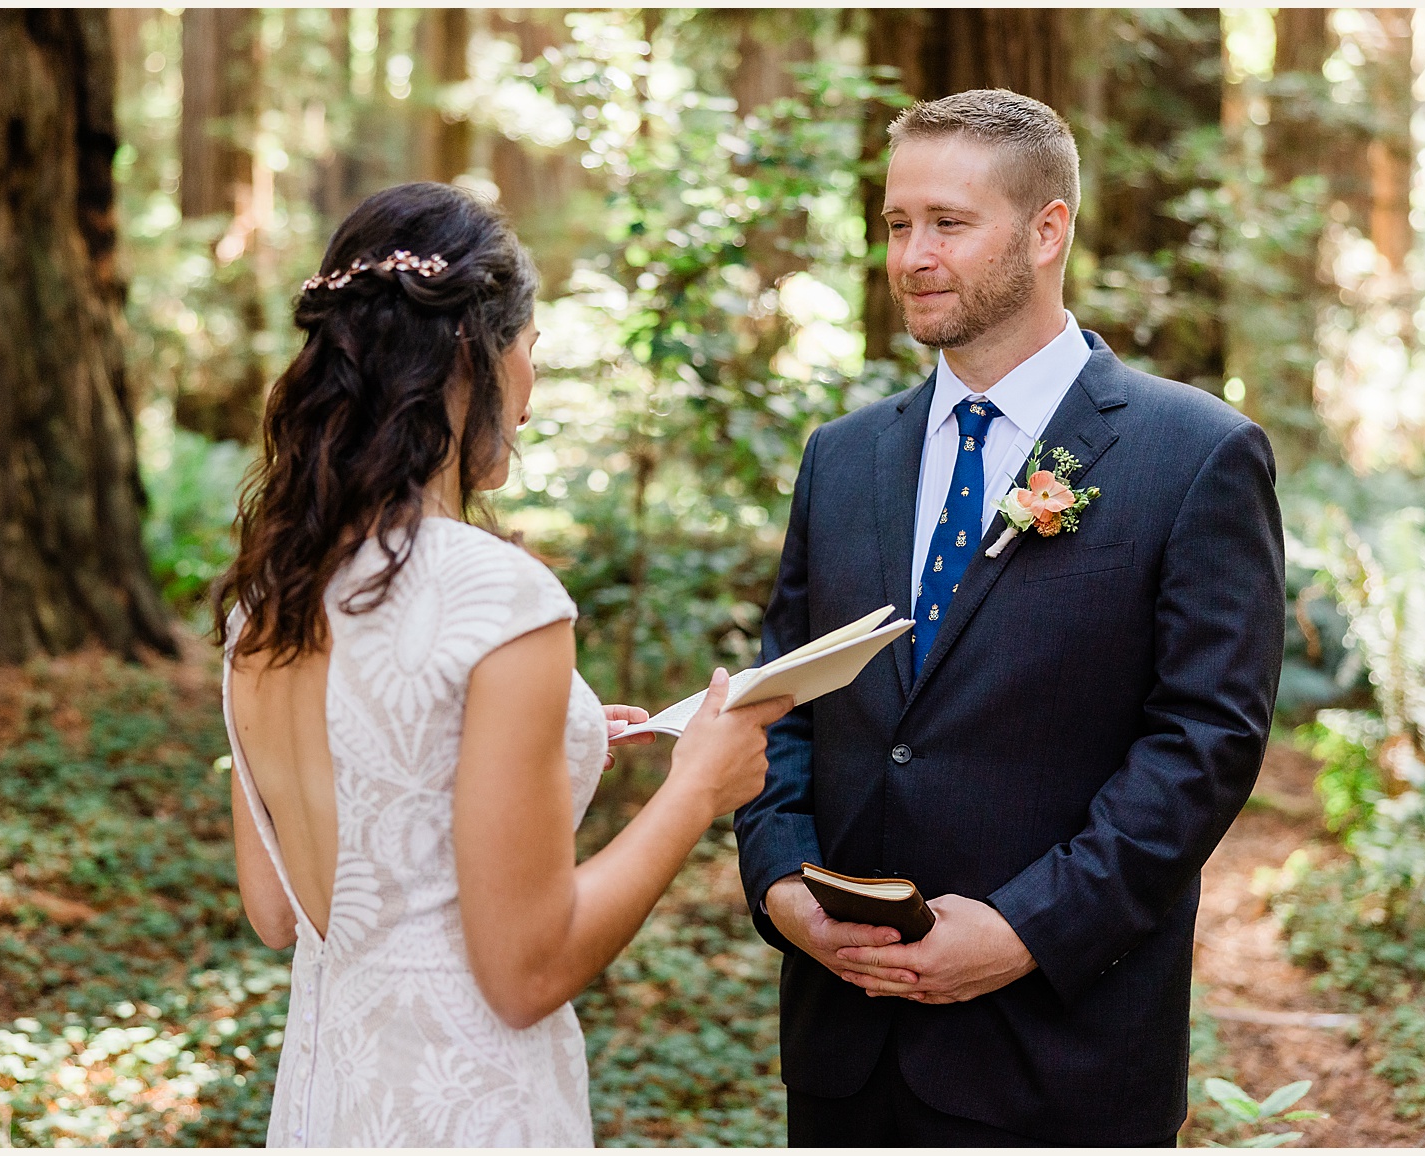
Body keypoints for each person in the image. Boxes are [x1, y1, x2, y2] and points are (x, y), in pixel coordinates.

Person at [733, 89, 1285, 1145]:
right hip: (844, 1055)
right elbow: (780, 707)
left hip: (1060, 1053)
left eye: (947, 222)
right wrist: (781, 888)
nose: (909, 255)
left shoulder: (1195, 454)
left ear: (1047, 230)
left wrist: (1025, 929)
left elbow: (1204, 744)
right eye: (897, 223)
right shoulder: (840, 459)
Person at [214, 181, 790, 1146]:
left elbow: (279, 910)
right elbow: (527, 972)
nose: (533, 388)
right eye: (533, 353)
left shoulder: (267, 596)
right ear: (476, 353)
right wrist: (697, 789)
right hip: (470, 1109)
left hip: (328, 1105)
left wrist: (541, 747)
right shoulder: (499, 596)